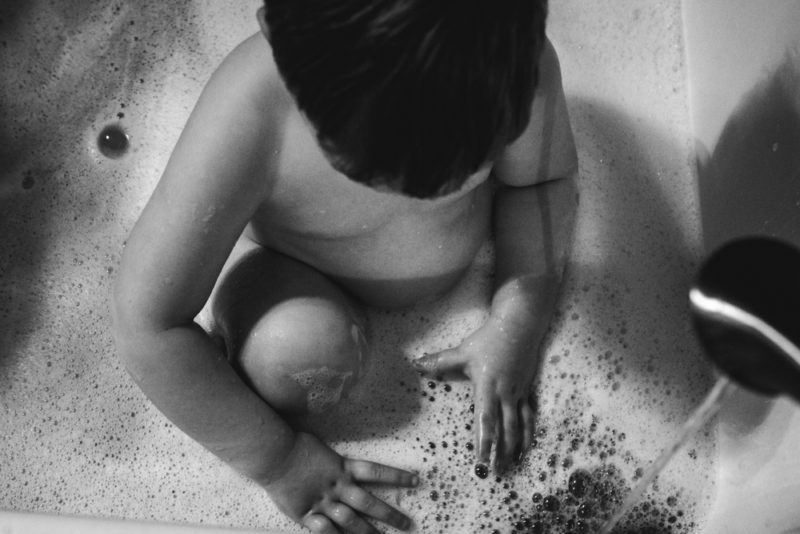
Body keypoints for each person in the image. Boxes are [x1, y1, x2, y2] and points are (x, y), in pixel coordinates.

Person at [112, 0, 578, 532]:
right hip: (297, 270)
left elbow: (541, 182)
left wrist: (518, 319)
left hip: (450, 286)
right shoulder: (252, 110)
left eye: (466, 169)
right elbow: (147, 324)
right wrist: (279, 461)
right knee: (294, 355)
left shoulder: (510, 59)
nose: (420, 195)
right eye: (376, 167)